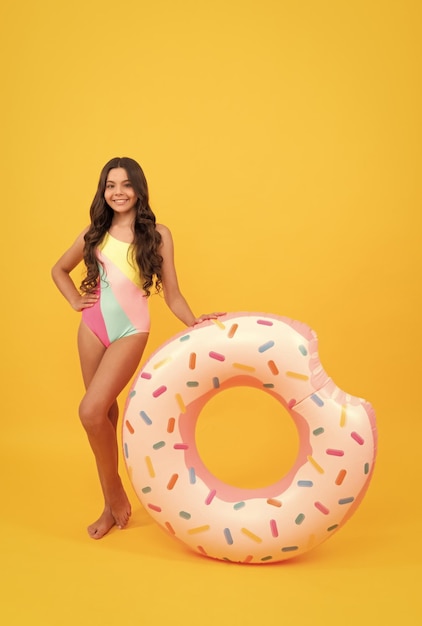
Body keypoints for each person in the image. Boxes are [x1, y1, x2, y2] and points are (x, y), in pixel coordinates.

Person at [51, 157, 224, 540]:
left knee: (89, 411)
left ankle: (115, 494)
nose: (118, 192)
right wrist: (74, 301)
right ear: (103, 191)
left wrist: (194, 321)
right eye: (110, 185)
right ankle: (109, 505)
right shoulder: (94, 234)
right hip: (91, 328)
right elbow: (58, 270)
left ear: (138, 189)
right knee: (103, 416)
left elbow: (173, 294)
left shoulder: (157, 235)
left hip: (131, 330)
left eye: (125, 185)